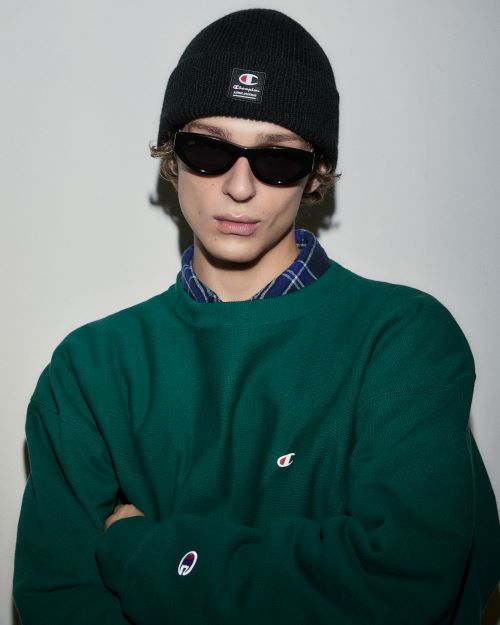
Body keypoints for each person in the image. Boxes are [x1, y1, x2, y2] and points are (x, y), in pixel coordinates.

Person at [12, 8, 499, 625]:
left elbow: (402, 587)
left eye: (277, 158)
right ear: (172, 157)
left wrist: (144, 551)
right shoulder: (90, 370)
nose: (239, 187)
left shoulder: (403, 341)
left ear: (315, 173)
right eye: (207, 149)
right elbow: (58, 601)